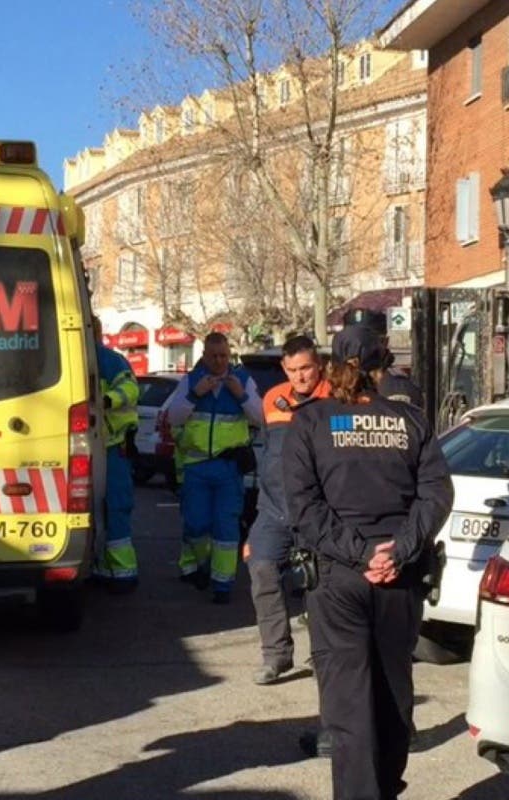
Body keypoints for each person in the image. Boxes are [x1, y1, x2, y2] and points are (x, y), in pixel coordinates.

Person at [282, 325, 453, 800]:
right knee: (394, 691)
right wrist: (398, 549)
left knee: (348, 707)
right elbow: (437, 493)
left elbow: (303, 506)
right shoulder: (411, 421)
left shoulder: (311, 422)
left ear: (329, 364)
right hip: (399, 577)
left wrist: (360, 554)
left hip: (340, 576)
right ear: (382, 368)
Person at [247, 335, 330, 684]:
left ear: (319, 365)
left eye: (306, 368)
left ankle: (323, 655)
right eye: (293, 370)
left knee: (322, 583)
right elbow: (266, 457)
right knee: (262, 568)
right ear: (284, 368)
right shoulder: (271, 400)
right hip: (273, 510)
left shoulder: (335, 399)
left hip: (318, 510)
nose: (300, 377)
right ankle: (276, 655)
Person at [165, 332, 263, 603]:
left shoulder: (242, 380)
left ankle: (223, 584)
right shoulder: (192, 380)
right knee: (196, 524)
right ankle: (203, 564)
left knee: (226, 527)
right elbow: (173, 416)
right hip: (196, 465)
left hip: (228, 468)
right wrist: (196, 394)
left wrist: (240, 395)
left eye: (223, 356)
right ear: (204, 356)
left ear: (229, 354)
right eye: (213, 356)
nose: (219, 361)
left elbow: (260, 416)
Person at [93, 318, 140, 592]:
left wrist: (108, 400)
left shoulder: (110, 360)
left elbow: (130, 389)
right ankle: (105, 567)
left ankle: (123, 572)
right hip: (96, 445)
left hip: (112, 446)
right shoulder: (93, 358)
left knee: (116, 507)